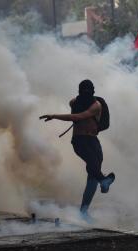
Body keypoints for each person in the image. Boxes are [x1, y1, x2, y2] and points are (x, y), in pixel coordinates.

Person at [40, 79, 115, 219]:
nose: (86, 93)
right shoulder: (74, 102)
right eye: (83, 90)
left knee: (93, 174)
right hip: (80, 142)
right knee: (93, 167)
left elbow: (78, 116)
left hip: (93, 141)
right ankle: (104, 181)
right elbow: (75, 112)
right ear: (79, 91)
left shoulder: (96, 106)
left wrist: (54, 116)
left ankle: (84, 211)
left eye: (88, 90)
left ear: (93, 91)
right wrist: (54, 115)